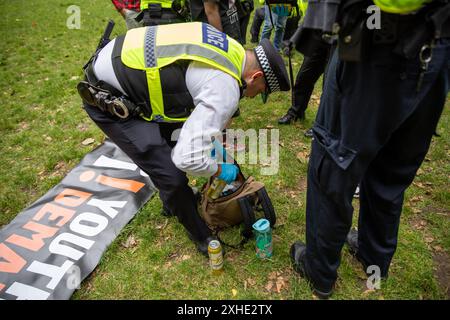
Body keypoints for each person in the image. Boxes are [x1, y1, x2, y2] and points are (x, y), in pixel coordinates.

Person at [77, 22, 290, 256]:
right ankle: (200, 234)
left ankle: (172, 203)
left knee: (173, 142)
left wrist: (209, 141)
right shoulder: (224, 89)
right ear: (256, 76)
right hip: (108, 98)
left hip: (124, 71)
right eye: (259, 91)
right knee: (172, 175)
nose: (253, 96)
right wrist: (217, 169)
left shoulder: (232, 48)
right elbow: (186, 158)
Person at [289, 0, 450, 298]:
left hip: (375, 44)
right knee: (394, 165)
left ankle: (320, 271)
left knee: (334, 165)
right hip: (436, 45)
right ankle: (373, 255)